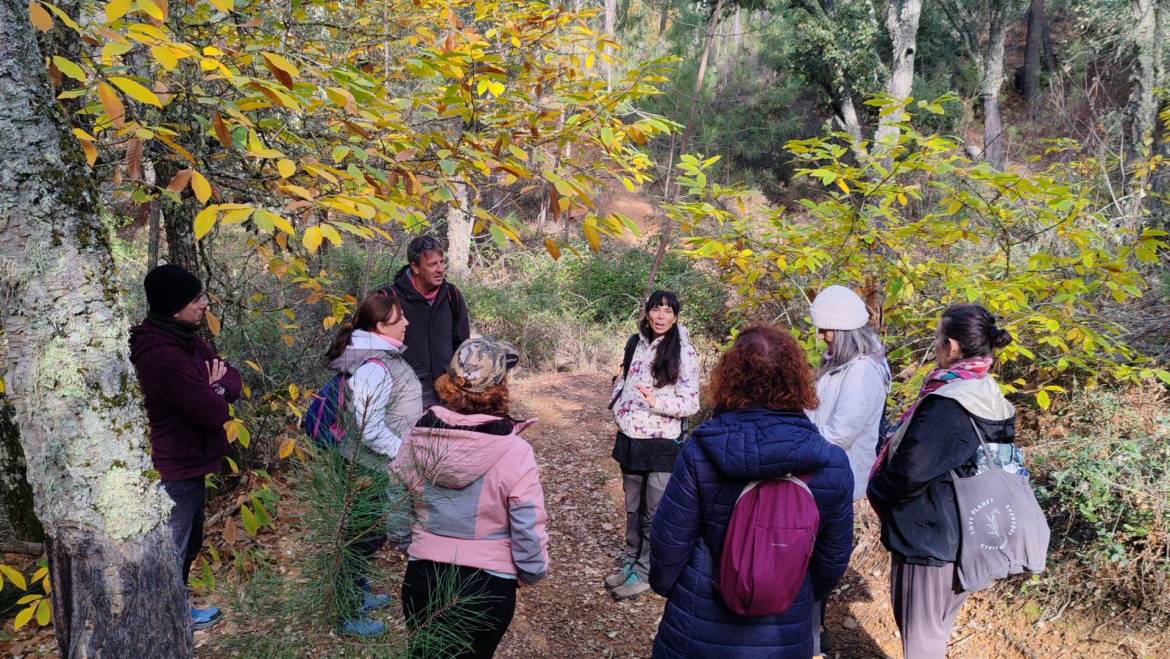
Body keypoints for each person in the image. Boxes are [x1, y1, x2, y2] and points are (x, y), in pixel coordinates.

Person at [649, 325, 854, 658]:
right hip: (782, 630)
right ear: (798, 380)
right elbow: (831, 559)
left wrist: (675, 589)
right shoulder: (831, 463)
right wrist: (791, 586)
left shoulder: (701, 451)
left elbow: (669, 543)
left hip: (698, 621)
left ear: (730, 378)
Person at [867, 304, 1017, 659]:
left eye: (938, 339)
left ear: (952, 347)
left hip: (929, 538)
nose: (935, 346)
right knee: (936, 629)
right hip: (969, 533)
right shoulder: (988, 393)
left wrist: (878, 489)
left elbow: (909, 471)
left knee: (921, 638)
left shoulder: (948, 402)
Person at [392, 338, 549, 659]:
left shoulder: (418, 436)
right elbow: (527, 523)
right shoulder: (514, 450)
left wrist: (411, 544)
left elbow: (395, 504)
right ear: (502, 385)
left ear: (450, 383)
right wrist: (531, 570)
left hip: (423, 577)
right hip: (488, 586)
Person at [129, 264, 242, 631]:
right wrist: (214, 392)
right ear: (175, 306)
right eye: (197, 299)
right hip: (172, 467)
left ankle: (175, 614)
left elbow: (232, 379)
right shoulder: (161, 355)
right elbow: (212, 412)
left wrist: (216, 387)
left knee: (188, 545)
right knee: (172, 552)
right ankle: (164, 626)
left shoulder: (186, 337)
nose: (205, 304)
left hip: (191, 463)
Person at [321, 288, 424, 637]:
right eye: (400, 318)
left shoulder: (375, 354)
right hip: (369, 468)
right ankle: (347, 612)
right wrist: (403, 452)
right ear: (381, 325)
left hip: (371, 466)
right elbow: (369, 428)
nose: (407, 322)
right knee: (360, 539)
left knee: (365, 536)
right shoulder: (374, 365)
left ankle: (357, 593)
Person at [805, 285, 891, 655]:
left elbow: (840, 433)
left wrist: (795, 438)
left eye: (826, 330)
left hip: (833, 477)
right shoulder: (841, 364)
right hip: (817, 472)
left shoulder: (864, 372)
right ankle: (808, 633)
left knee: (813, 566)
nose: (822, 336)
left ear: (843, 331)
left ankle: (809, 640)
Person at [605, 290, 700, 600]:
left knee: (653, 512)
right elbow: (624, 378)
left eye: (668, 311)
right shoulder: (637, 342)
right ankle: (631, 561)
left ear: (675, 316)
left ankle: (646, 571)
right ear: (646, 312)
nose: (661, 316)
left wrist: (656, 402)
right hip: (630, 437)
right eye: (656, 310)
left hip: (661, 442)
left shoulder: (682, 351)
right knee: (633, 508)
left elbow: (691, 402)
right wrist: (617, 402)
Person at [388, 236, 471, 407]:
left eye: (442, 262)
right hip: (407, 398)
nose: (440, 269)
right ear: (415, 267)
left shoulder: (451, 295)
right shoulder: (390, 298)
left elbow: (462, 345)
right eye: (433, 264)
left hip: (448, 395)